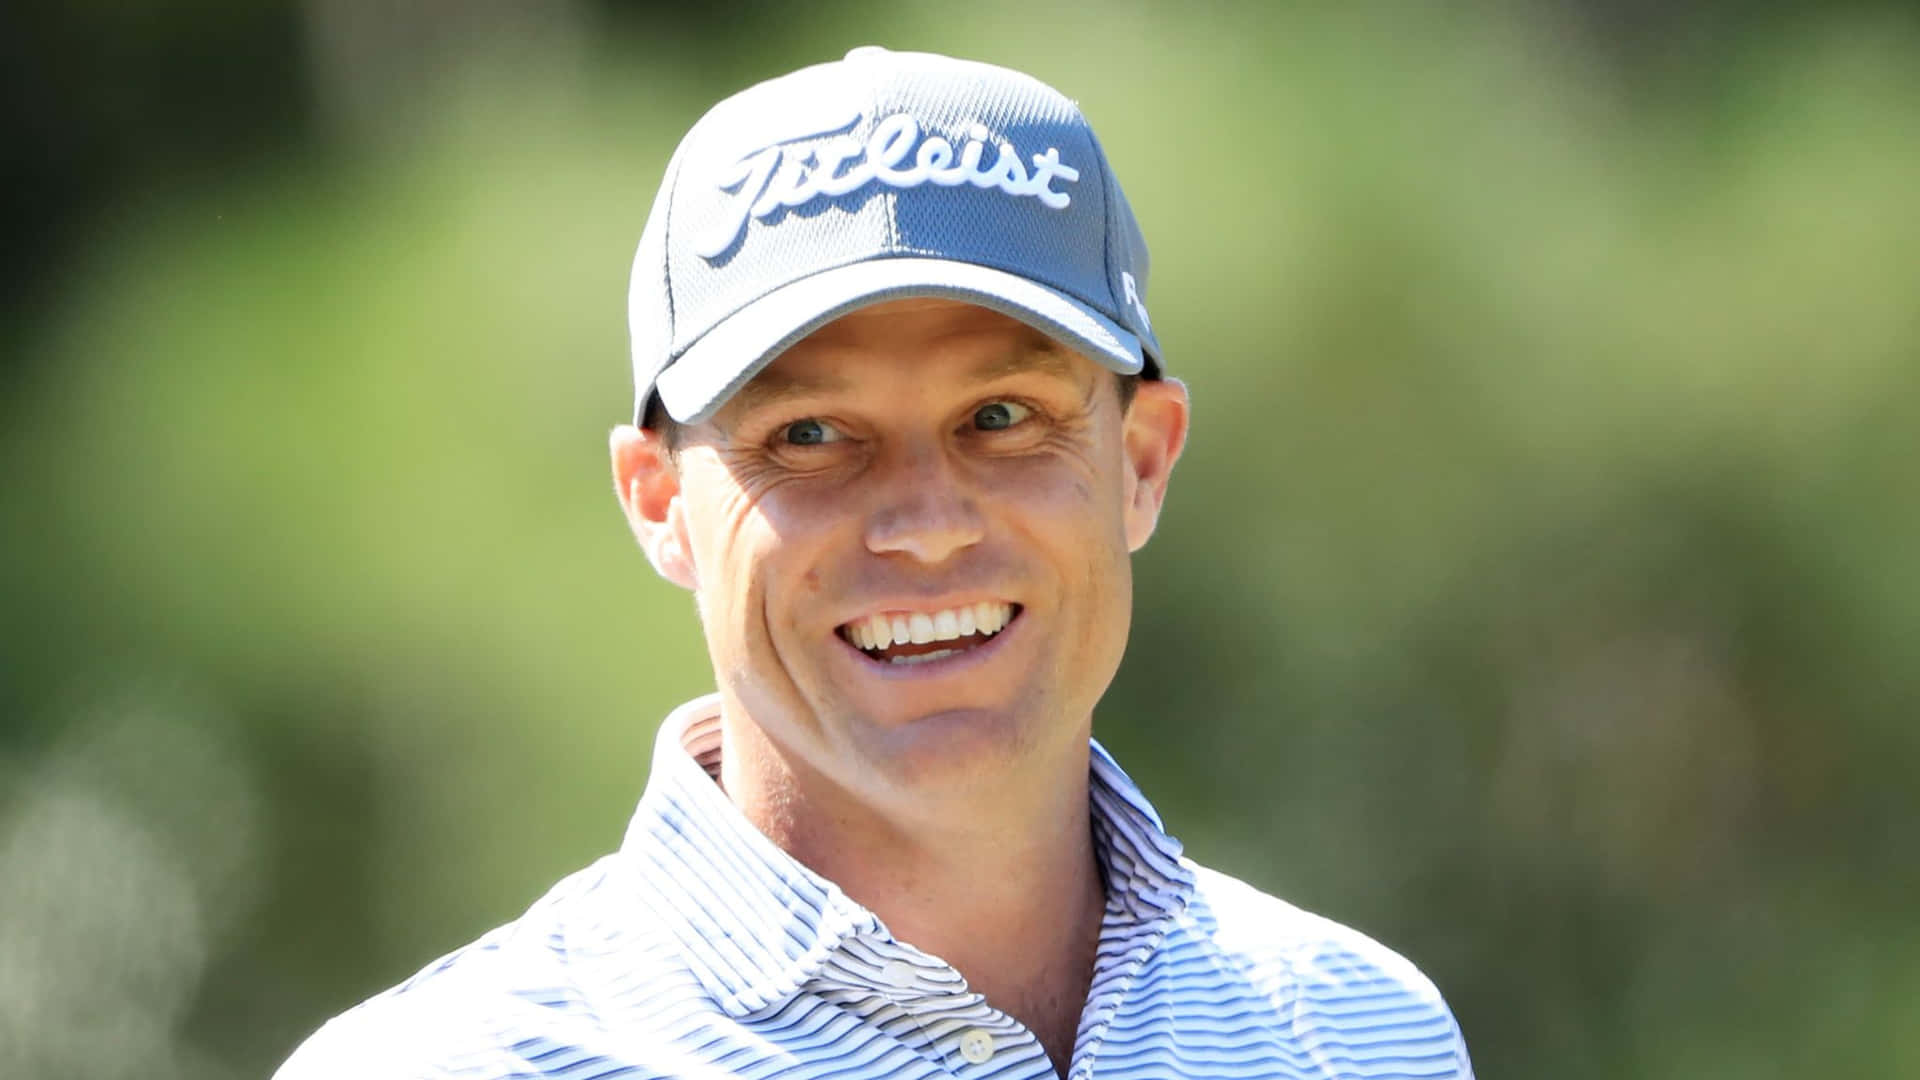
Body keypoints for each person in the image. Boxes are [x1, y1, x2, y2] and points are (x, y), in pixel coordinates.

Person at [278, 46, 1473, 1080]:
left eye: (1002, 417)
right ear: (659, 502)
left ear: (1143, 463)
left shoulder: (1360, 1033)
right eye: (808, 436)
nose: (925, 522)